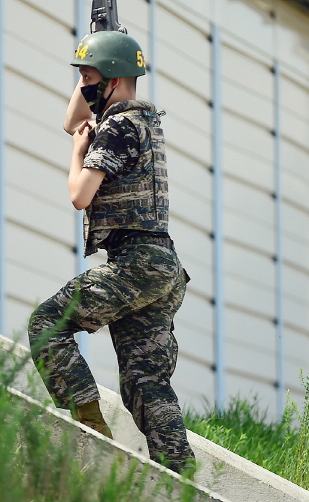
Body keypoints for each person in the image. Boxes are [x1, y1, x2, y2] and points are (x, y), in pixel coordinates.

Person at [26, 30, 195, 473]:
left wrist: (77, 152)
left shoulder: (117, 126)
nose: (82, 87)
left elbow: (80, 195)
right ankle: (182, 475)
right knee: (147, 382)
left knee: (47, 323)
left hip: (135, 263)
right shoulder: (145, 120)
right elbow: (72, 117)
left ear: (113, 80)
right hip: (164, 267)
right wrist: (94, 53)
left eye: (87, 78)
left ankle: (89, 424)